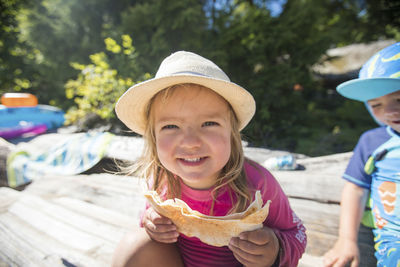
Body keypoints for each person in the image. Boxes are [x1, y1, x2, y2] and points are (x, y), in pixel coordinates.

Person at [111, 51, 306, 267]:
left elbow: (296, 232)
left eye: (209, 124)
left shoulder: (258, 184)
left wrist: (275, 248)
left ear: (231, 134)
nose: (191, 142)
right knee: (135, 244)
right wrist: (150, 224)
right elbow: (149, 217)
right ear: (154, 137)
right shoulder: (159, 181)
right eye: (171, 126)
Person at [323, 42, 400, 267]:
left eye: (399, 99)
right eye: (375, 104)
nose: (389, 112)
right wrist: (347, 240)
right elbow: (355, 189)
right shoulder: (373, 142)